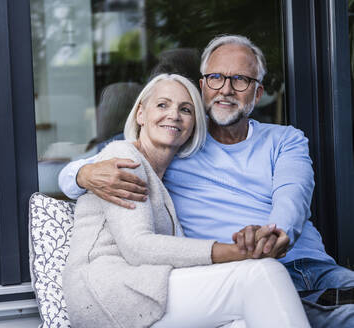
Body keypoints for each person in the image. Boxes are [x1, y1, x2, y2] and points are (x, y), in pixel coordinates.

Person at [59, 35, 354, 326]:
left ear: (257, 92)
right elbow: (109, 159)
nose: (226, 90)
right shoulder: (177, 142)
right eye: (216, 78)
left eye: (240, 80)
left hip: (313, 268)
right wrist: (81, 175)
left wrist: (272, 234)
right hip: (243, 274)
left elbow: (293, 195)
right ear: (203, 86)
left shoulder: (285, 139)